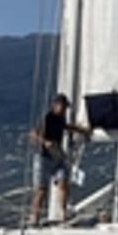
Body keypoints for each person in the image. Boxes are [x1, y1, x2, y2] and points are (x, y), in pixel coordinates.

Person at [31, 94, 87, 225]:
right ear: (55, 105)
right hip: (43, 157)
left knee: (64, 182)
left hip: (57, 156)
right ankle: (35, 217)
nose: (64, 110)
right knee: (42, 190)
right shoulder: (48, 118)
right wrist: (45, 142)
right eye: (63, 106)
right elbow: (34, 134)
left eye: (66, 107)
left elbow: (66, 126)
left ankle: (63, 213)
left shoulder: (61, 118)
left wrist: (81, 130)